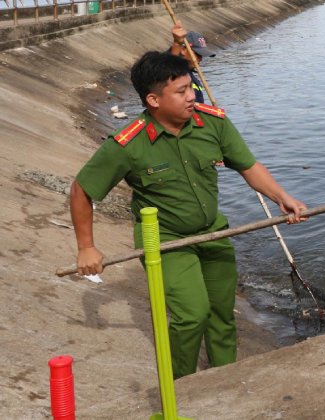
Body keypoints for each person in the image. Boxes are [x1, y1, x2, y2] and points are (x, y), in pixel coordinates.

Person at [69, 51, 308, 378]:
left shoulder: (213, 122)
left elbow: (248, 166)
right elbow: (82, 190)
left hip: (215, 232)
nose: (191, 96)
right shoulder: (128, 143)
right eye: (180, 92)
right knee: (192, 315)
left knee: (221, 315)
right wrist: (86, 247)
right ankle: (183, 386)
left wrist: (283, 197)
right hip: (167, 242)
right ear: (153, 99)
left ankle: (225, 379)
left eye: (191, 87)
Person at [169, 21, 213, 104]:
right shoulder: (171, 71)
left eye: (201, 55)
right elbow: (169, 67)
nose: (200, 59)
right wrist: (177, 43)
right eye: (197, 54)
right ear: (183, 50)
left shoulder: (191, 75)